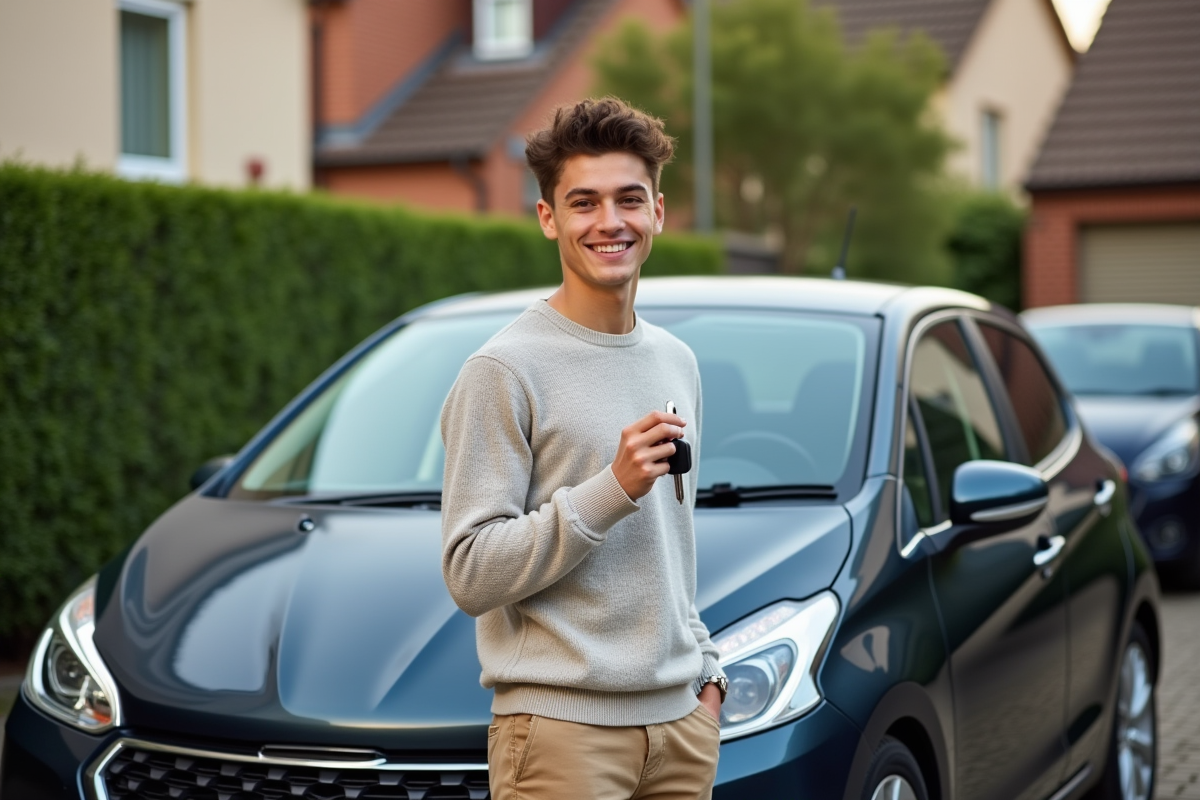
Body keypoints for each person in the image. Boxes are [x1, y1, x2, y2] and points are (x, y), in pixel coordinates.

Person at [440, 97, 726, 800]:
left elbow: (670, 549)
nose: (610, 222)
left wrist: (707, 673)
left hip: (681, 733)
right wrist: (611, 489)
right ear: (548, 218)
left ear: (658, 211)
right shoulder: (503, 370)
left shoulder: (677, 361)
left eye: (629, 199)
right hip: (562, 737)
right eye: (584, 203)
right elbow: (469, 572)